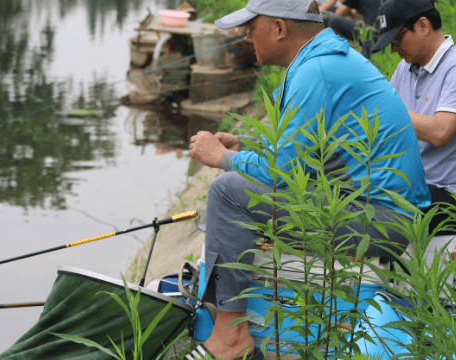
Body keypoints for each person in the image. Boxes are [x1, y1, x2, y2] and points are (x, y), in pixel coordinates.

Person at [185, 0, 431, 359]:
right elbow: (303, 149)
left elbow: (283, 174)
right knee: (236, 188)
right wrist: (246, 144)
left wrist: (222, 157)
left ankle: (230, 338)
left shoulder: (317, 70)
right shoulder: (322, 60)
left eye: (252, 26)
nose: (247, 35)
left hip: (383, 219)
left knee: (227, 192)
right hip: (378, 209)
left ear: (281, 28)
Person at [372, 0, 456, 234]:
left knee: (376, 213)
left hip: (446, 192)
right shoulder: (405, 67)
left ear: (422, 25)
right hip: (408, 184)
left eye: (397, 39)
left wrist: (385, 110)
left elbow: (441, 132)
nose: (393, 49)